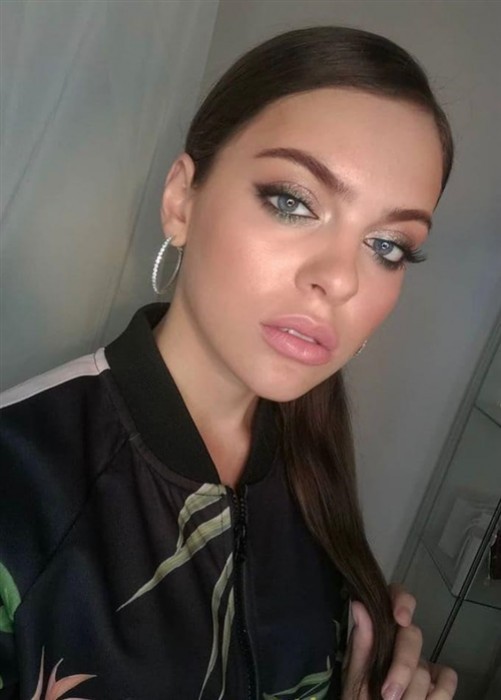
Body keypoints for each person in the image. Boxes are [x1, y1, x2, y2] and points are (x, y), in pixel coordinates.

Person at [0, 26, 459, 700]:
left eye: (387, 245)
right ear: (181, 200)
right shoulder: (20, 480)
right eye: (292, 202)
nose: (340, 279)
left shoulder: (311, 465)